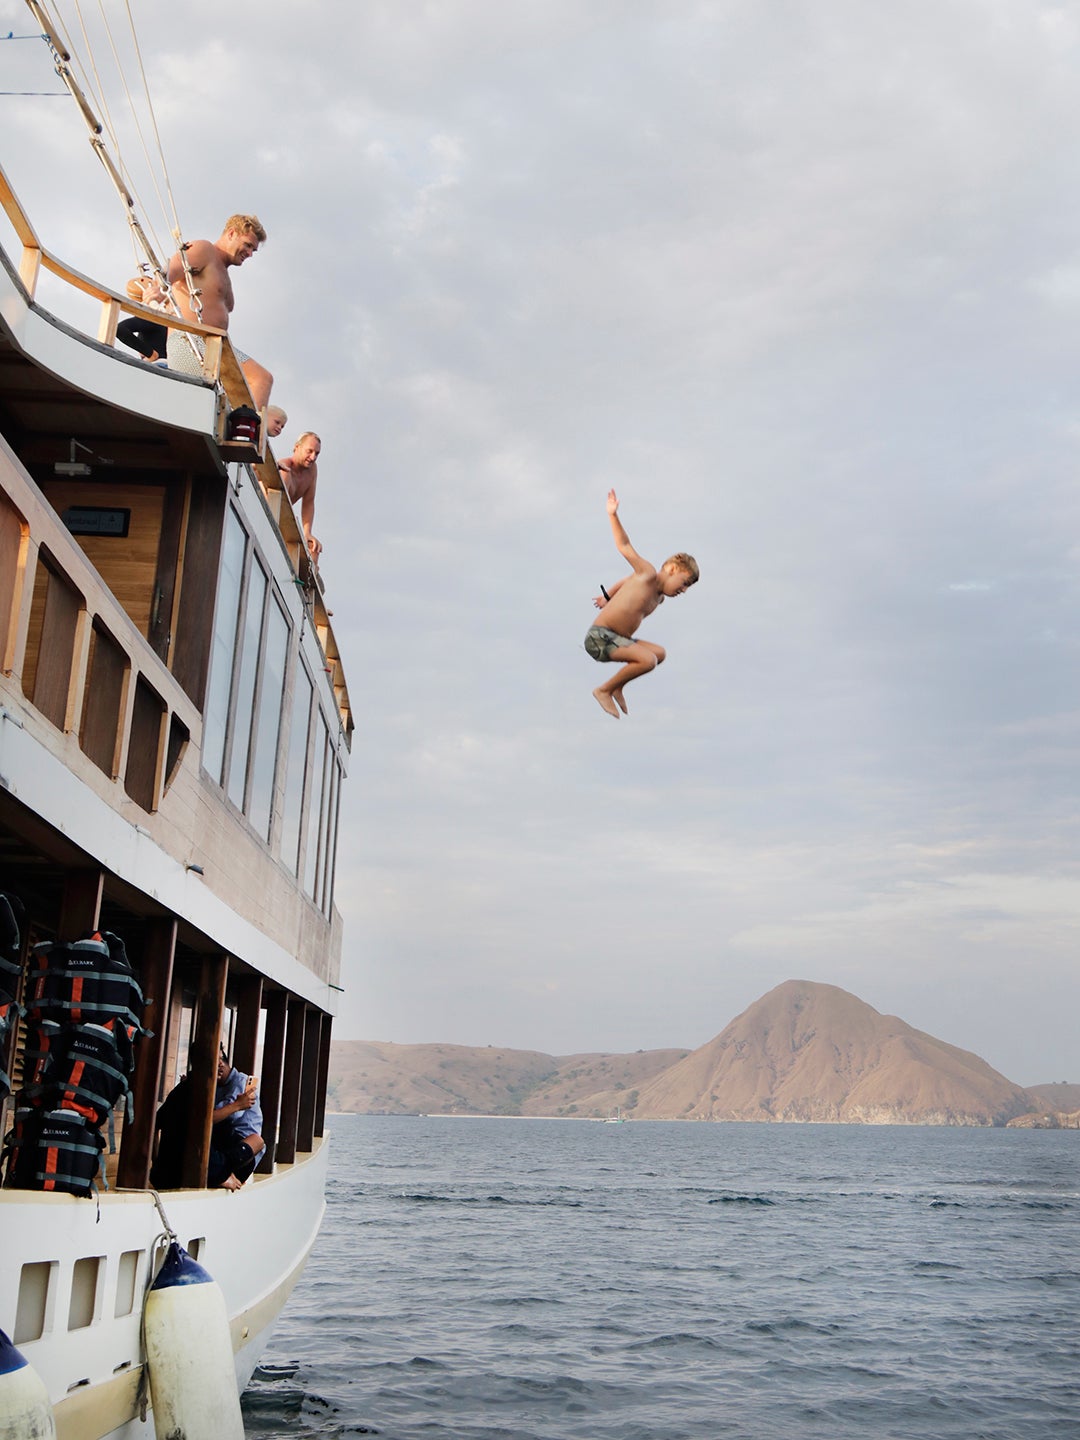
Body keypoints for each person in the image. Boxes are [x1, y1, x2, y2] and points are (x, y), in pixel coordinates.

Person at [585, 489, 699, 717]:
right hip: (600, 638)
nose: (683, 590)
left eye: (687, 588)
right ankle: (604, 690)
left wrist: (608, 596)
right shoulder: (646, 573)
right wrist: (612, 515)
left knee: (660, 653)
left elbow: (626, 581)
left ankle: (618, 687)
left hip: (619, 640)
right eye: (684, 583)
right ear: (672, 569)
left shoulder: (659, 597)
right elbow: (624, 546)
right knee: (648, 660)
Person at [165, 215, 273, 409]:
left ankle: (241, 428)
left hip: (216, 348)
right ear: (232, 233)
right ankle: (245, 430)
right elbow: (169, 273)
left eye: (253, 250)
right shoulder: (204, 249)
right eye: (248, 245)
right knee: (260, 379)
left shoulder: (224, 273)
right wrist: (155, 290)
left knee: (239, 397)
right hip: (189, 340)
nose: (249, 253)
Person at [210, 1048, 265, 1191]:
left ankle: (221, 1175)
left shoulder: (240, 1081)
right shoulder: (217, 1086)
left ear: (222, 1064)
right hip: (227, 1144)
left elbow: (231, 1115)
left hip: (243, 1146)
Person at [279, 432, 322, 562]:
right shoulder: (284, 465)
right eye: (309, 451)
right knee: (285, 475)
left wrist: (307, 532)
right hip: (268, 510)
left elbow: (308, 502)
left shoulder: (312, 470)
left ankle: (307, 577)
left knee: (313, 547)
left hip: (285, 520)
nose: (313, 457)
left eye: (317, 453)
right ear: (297, 447)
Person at [116, 274, 170, 362]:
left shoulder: (152, 318)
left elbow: (120, 329)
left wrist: (150, 354)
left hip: (159, 364)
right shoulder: (167, 317)